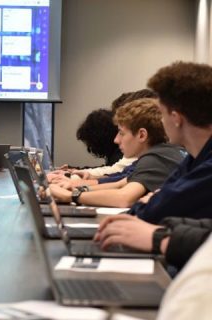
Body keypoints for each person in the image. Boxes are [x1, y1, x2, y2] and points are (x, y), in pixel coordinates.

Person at [49, 98, 184, 208]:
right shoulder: (158, 154)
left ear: (142, 135)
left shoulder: (157, 159)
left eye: (121, 133)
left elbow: (123, 198)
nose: (116, 140)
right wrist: (73, 188)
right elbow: (119, 184)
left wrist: (71, 196)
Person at [129, 61, 212, 223]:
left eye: (161, 113)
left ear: (176, 118)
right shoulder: (193, 159)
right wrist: (152, 200)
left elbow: (150, 214)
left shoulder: (207, 168)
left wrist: (151, 200)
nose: (160, 121)